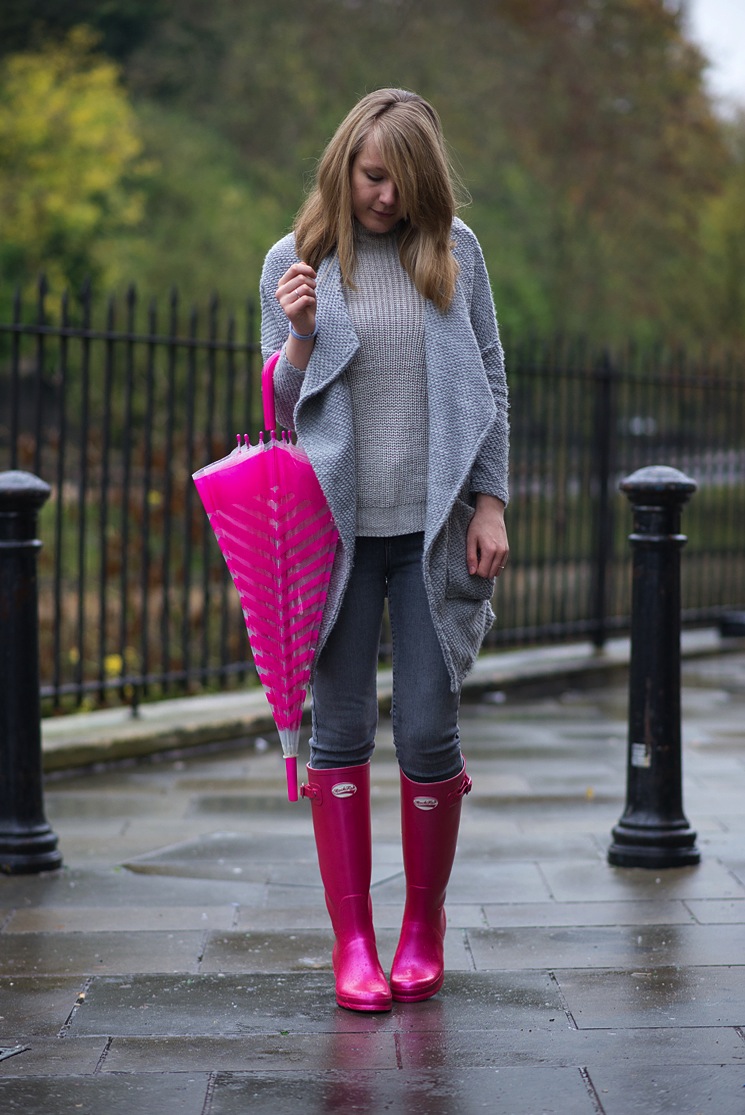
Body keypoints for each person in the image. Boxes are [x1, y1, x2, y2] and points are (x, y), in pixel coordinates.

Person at [260, 88, 509, 1013]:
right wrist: (299, 337)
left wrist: (491, 502)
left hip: (432, 532)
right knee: (340, 736)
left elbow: (490, 386)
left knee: (428, 732)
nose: (383, 198)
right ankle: (353, 942)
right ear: (342, 167)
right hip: (336, 540)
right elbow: (282, 416)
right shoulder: (296, 264)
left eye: (402, 183)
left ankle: (421, 928)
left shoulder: (455, 255)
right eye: (371, 177)